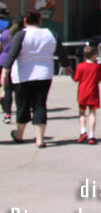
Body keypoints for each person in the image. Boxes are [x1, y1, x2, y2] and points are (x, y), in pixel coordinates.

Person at [1, 11, 68, 147]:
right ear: (39, 21)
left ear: (25, 21)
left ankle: (19, 135)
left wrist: (4, 72)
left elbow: (12, 54)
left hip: (23, 75)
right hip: (44, 75)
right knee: (40, 104)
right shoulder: (50, 33)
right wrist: (67, 66)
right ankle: (40, 139)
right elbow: (61, 51)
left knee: (22, 105)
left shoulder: (21, 35)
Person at [73, 45, 101, 144]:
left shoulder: (80, 66)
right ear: (94, 55)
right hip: (93, 91)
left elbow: (76, 79)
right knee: (92, 113)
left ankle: (83, 131)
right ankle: (92, 135)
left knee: (82, 112)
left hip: (82, 91)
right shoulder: (97, 67)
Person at [0, 9, 16, 124]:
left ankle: (4, 106)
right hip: (12, 62)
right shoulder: (11, 31)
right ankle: (7, 113)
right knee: (8, 88)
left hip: (2, 60)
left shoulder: (4, 33)